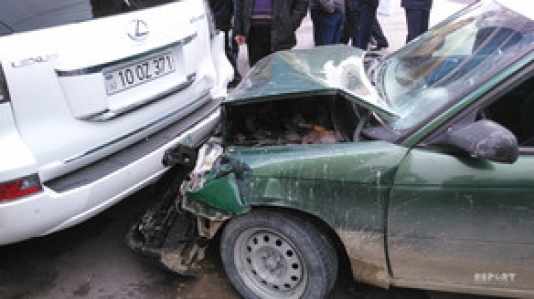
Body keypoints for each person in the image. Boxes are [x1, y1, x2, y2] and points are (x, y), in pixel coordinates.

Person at [234, 0, 309, 67]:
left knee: (280, 72)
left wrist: (290, 24)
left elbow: (301, 3)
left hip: (281, 33)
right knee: (258, 72)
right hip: (254, 34)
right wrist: (239, 30)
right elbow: (239, 4)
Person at [208, 0, 242, 88]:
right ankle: (233, 77)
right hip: (219, 20)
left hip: (219, 22)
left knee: (223, 50)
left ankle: (234, 78)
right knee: (224, 49)